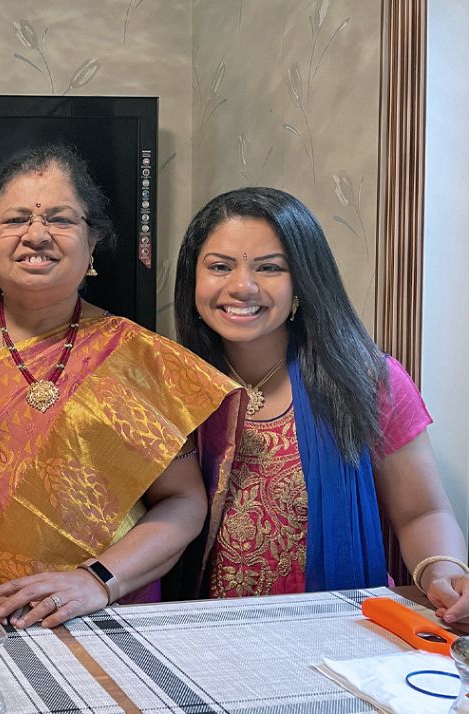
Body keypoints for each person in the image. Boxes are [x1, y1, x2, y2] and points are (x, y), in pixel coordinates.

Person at [0, 144, 244, 629]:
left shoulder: (139, 360)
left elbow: (184, 502)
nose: (36, 235)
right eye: (13, 221)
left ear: (93, 243)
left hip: (106, 615)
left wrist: (96, 580)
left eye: (60, 219)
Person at [174, 186, 469, 623]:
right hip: (201, 634)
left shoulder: (368, 381)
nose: (242, 286)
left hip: (339, 630)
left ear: (302, 281)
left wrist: (442, 573)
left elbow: (422, 511)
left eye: (269, 267)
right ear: (193, 280)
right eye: (219, 266)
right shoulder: (172, 388)